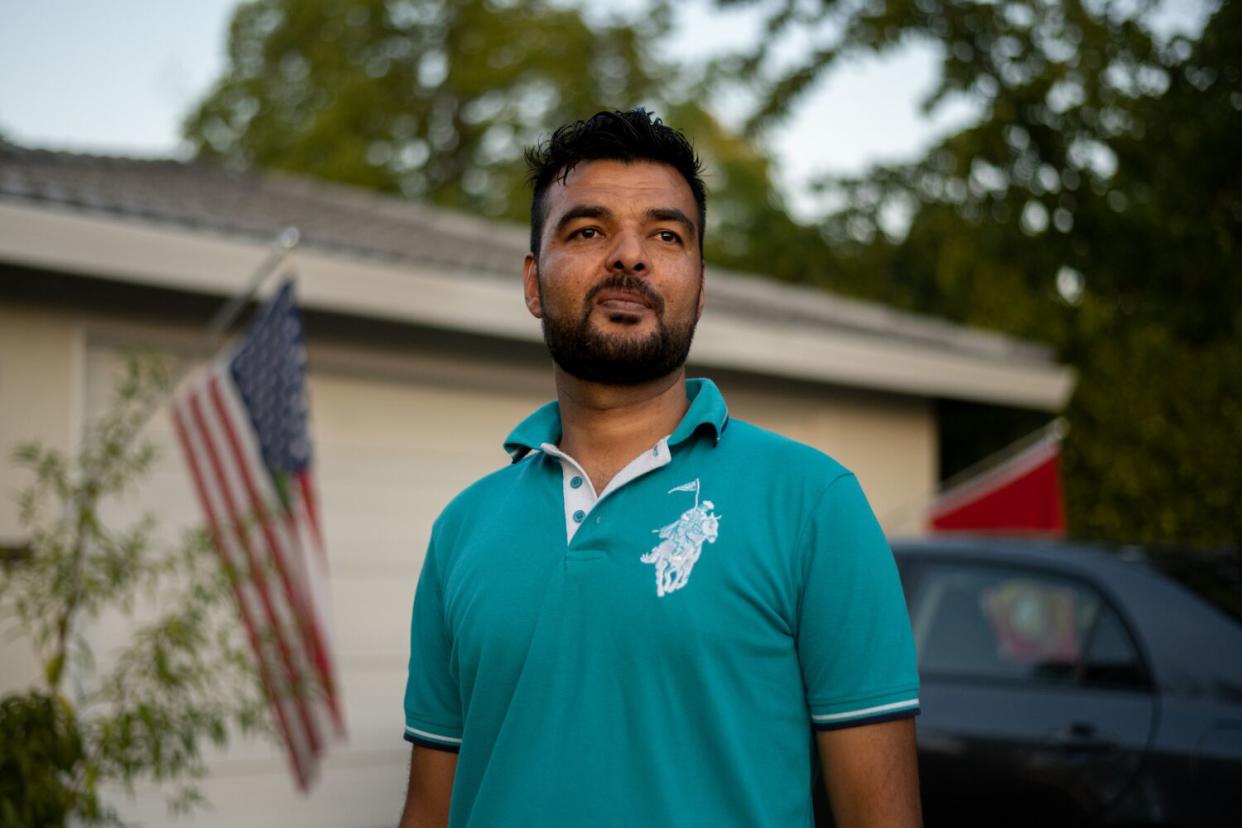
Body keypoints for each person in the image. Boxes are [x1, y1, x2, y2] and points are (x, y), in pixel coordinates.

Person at [399, 109, 922, 828]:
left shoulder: (813, 503)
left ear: (700, 284)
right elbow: (429, 810)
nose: (628, 257)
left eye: (666, 235)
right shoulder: (462, 530)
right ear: (532, 281)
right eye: (587, 231)